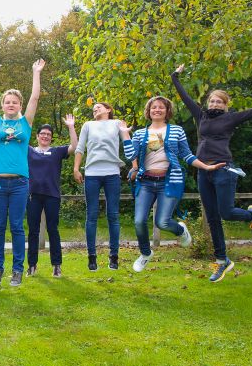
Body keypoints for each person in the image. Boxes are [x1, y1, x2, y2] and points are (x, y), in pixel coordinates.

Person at [172, 64, 252, 282]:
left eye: (219, 101)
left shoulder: (231, 118)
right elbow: (184, 97)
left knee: (226, 213)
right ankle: (222, 261)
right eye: (212, 100)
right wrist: (175, 76)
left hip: (223, 169)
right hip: (204, 171)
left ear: (225, 105)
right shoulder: (201, 116)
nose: (215, 103)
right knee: (212, 218)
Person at [123, 95, 225, 272]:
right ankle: (145, 254)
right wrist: (124, 133)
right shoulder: (140, 133)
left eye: (161, 107)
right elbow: (130, 156)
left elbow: (187, 155)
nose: (157, 110)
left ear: (167, 111)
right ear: (149, 111)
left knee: (162, 222)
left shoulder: (177, 130)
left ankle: (180, 230)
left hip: (169, 181)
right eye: (154, 107)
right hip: (146, 182)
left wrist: (206, 167)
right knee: (139, 221)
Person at [0, 57, 45, 287]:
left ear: (19, 105)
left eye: (14, 102)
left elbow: (35, 97)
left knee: (17, 227)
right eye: (7, 102)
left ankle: (17, 270)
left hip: (20, 183)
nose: (11, 104)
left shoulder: (25, 124)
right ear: (3, 105)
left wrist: (35, 72)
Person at [73, 102, 129, 271]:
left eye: (99, 107)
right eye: (93, 108)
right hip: (92, 174)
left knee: (113, 215)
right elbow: (80, 148)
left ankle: (114, 257)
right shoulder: (88, 125)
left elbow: (128, 143)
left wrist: (133, 162)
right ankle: (92, 257)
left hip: (112, 173)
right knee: (91, 215)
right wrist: (76, 169)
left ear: (108, 110)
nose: (95, 109)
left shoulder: (117, 123)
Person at [26, 116, 78, 278]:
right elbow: (16, 140)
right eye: (42, 133)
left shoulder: (57, 152)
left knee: (52, 230)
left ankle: (56, 266)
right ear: (37, 136)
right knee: (33, 231)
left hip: (52, 196)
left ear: (51, 137)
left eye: (48, 134)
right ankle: (32, 266)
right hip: (33, 196)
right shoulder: (29, 151)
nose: (45, 136)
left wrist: (71, 126)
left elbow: (75, 147)